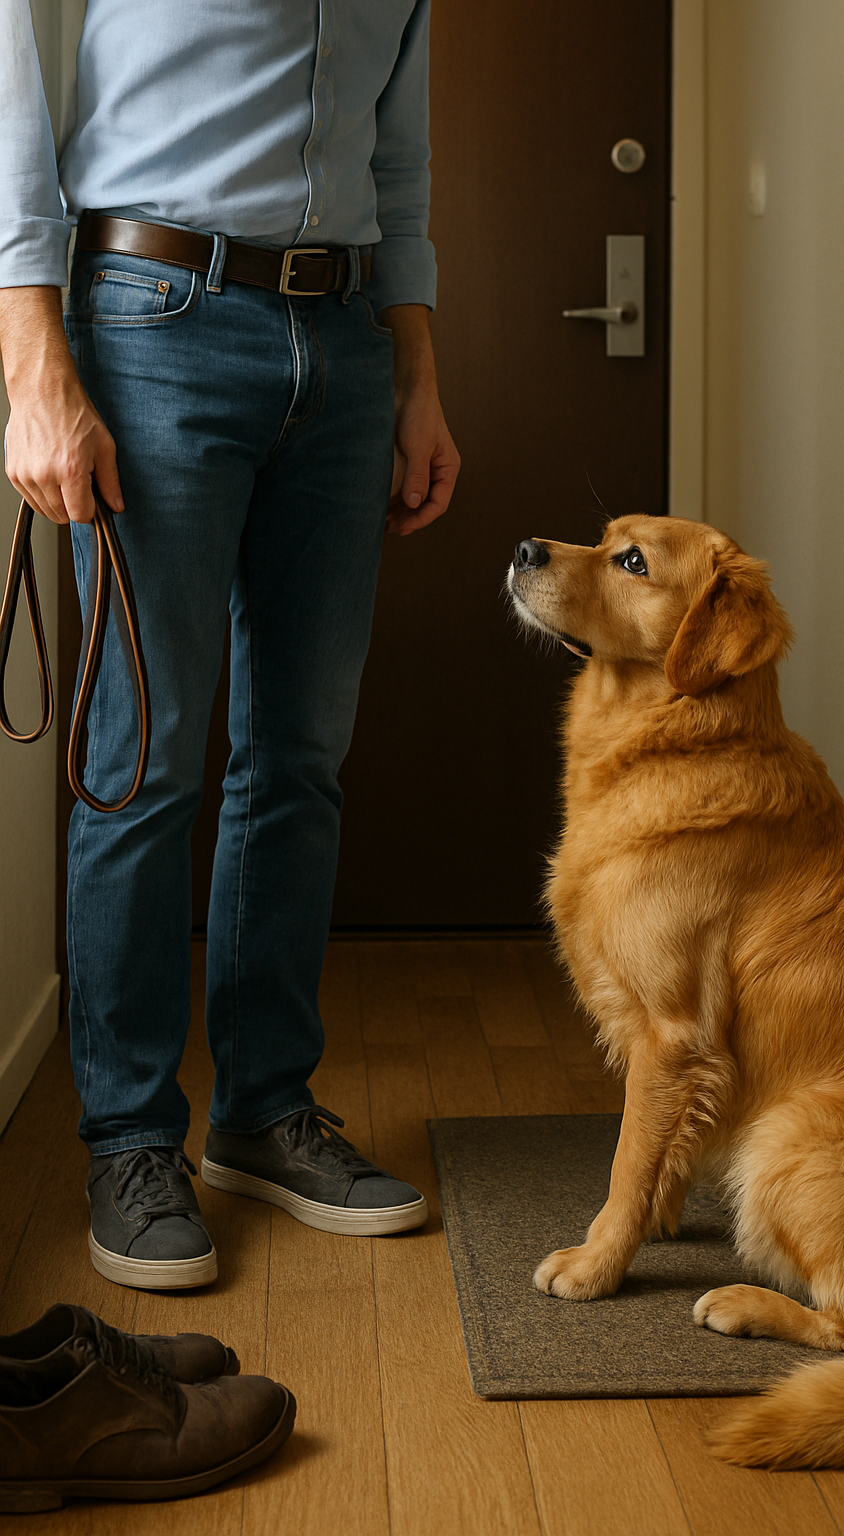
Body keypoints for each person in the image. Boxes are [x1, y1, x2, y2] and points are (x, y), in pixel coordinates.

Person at [0, 0, 459, 1290]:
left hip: (348, 340)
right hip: (150, 322)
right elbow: (10, 107)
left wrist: (417, 377)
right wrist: (35, 375)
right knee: (142, 763)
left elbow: (400, 156)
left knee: (300, 756)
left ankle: (264, 1111)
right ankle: (131, 1139)